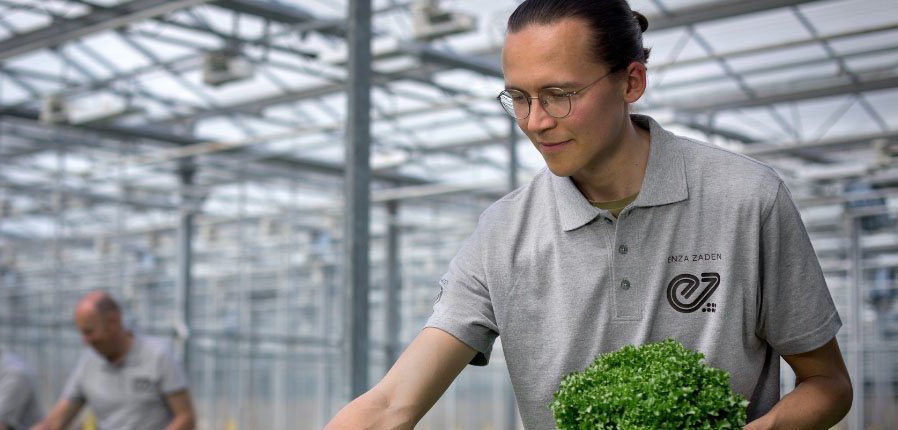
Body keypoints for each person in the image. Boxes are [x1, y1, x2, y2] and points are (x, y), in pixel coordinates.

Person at [325, 1, 853, 429]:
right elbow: (391, 405)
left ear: (631, 82)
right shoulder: (503, 234)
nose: (535, 122)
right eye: (518, 98)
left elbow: (827, 385)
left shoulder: (747, 199)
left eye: (559, 95)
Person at [31, 291, 196, 430]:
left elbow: (186, 417)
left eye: (89, 332)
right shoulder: (87, 364)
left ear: (113, 321)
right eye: (82, 333)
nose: (85, 340)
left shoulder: (157, 356)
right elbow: (55, 422)